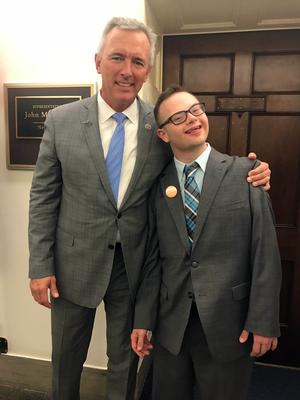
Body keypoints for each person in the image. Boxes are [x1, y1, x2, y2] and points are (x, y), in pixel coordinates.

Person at [28, 17, 271, 400]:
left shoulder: (161, 126)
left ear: (147, 71)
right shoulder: (62, 121)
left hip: (136, 268)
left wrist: (254, 172)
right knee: (66, 357)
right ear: (98, 61)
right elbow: (43, 197)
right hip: (72, 265)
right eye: (117, 58)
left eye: (138, 62)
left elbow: (196, 158)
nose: (127, 70)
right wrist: (40, 266)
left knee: (126, 360)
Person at [131, 85, 282, 400]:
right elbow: (152, 260)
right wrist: (143, 319)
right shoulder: (157, 187)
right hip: (171, 325)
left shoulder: (247, 174)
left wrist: (263, 321)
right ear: (163, 134)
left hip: (231, 324)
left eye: (196, 110)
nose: (192, 119)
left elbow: (265, 255)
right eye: (178, 117)